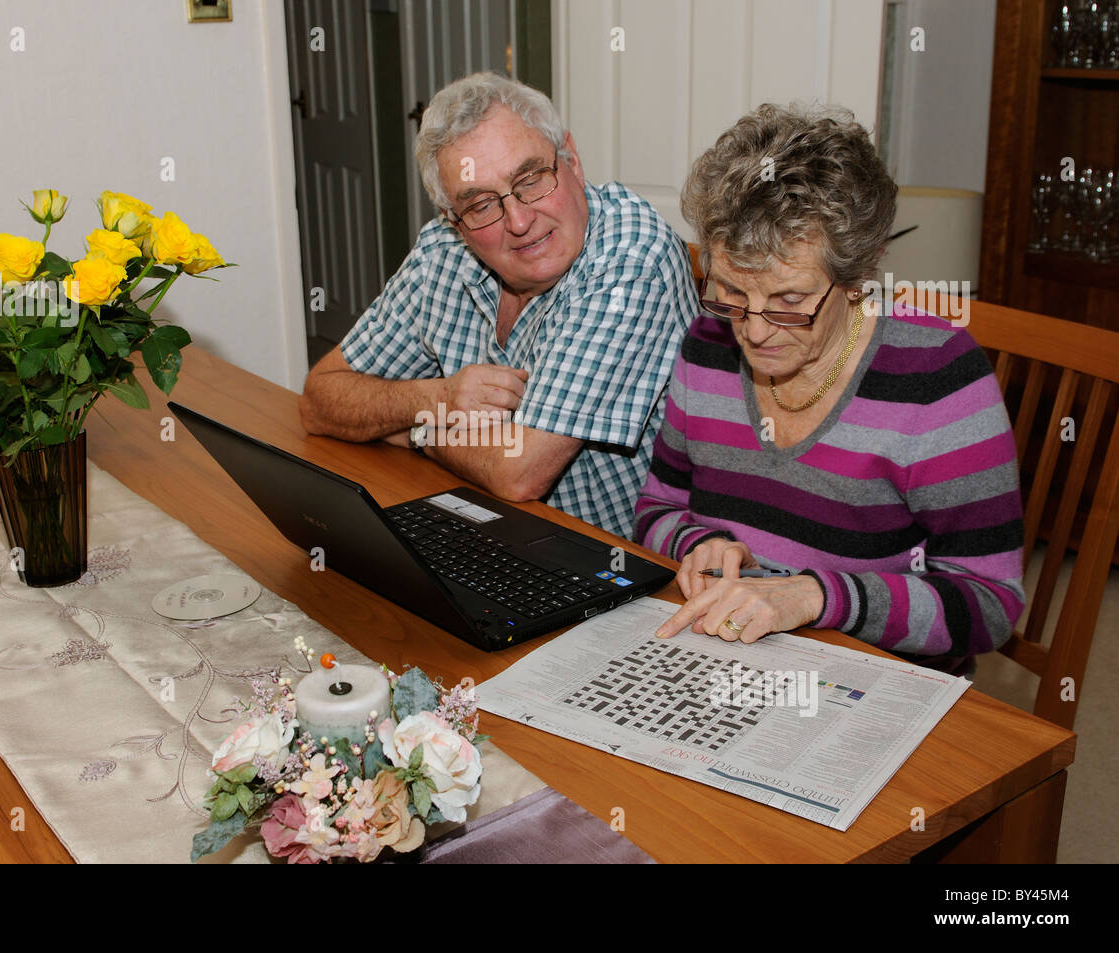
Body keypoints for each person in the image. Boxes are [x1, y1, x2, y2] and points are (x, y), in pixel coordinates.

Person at [635, 103, 1024, 674]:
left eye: (790, 301)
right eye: (730, 293)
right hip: (725, 654)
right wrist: (699, 543)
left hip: (869, 677)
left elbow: (991, 603)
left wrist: (815, 596)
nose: (755, 330)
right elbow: (658, 506)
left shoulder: (937, 377)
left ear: (858, 276)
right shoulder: (709, 342)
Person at [299, 72, 696, 539]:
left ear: (572, 160)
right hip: (484, 528)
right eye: (482, 205)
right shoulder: (442, 252)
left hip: (620, 563)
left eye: (530, 180)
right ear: (455, 220)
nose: (521, 220)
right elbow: (319, 400)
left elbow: (519, 473)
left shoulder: (632, 257)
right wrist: (438, 398)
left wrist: (419, 432)